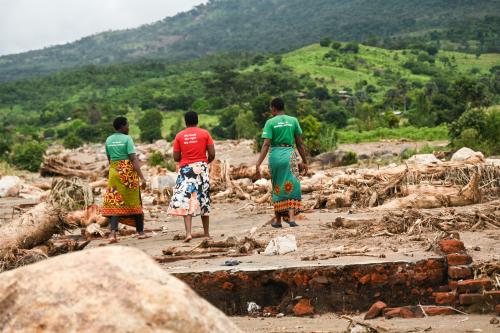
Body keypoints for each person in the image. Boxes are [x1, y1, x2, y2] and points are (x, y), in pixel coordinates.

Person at [255, 97, 308, 228]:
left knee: (277, 186)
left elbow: (266, 144)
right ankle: (291, 218)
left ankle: (278, 221)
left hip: (275, 156)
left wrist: (258, 163)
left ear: (273, 108)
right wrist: (305, 161)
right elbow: (299, 143)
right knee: (292, 184)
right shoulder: (293, 120)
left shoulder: (270, 122)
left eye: (270, 108)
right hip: (290, 155)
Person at [167, 111, 216, 242]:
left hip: (186, 170)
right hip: (201, 168)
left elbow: (176, 157)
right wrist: (205, 162)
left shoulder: (179, 136)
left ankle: (188, 233)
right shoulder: (205, 134)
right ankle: (206, 234)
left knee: (187, 200)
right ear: (197, 120)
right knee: (204, 199)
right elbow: (212, 153)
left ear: (185, 122)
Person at [101, 116, 147, 243]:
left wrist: (115, 169)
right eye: (127, 125)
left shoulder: (109, 139)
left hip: (114, 171)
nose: (128, 127)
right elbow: (133, 158)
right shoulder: (127, 139)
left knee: (115, 200)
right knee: (134, 199)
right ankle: (140, 231)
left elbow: (109, 159)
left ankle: (113, 234)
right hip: (127, 172)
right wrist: (142, 177)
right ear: (122, 126)